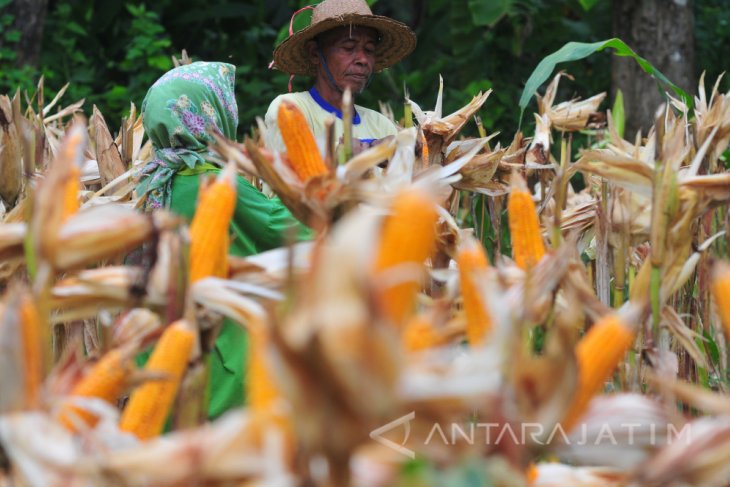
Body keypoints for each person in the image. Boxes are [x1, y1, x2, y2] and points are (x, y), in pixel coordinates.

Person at [136, 61, 310, 420]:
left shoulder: (151, 182)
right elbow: (285, 228)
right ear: (212, 116)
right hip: (221, 344)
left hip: (165, 343)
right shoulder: (216, 181)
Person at [265, 0, 417, 154]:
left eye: (369, 50)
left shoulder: (381, 125)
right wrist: (370, 148)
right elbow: (299, 167)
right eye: (349, 48)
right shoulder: (290, 108)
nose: (363, 60)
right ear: (315, 53)